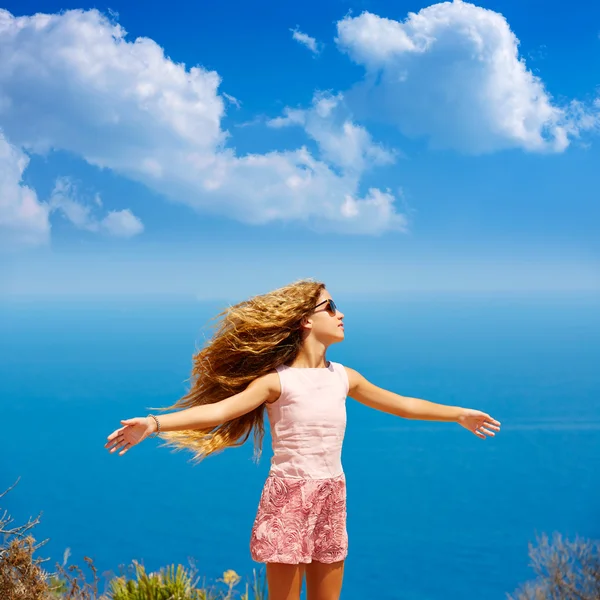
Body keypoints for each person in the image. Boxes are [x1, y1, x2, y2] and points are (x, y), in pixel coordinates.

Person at [105, 279, 501, 600]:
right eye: (330, 306)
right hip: (289, 497)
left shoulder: (345, 377)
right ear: (305, 322)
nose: (340, 313)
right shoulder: (276, 382)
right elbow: (221, 411)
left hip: (332, 493)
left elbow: (403, 405)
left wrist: (459, 414)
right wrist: (154, 424)